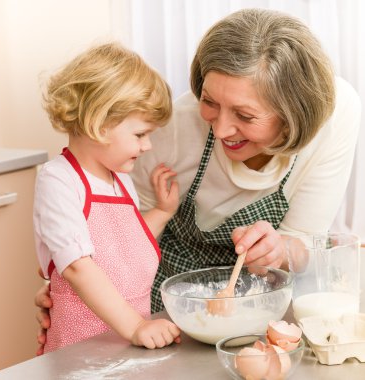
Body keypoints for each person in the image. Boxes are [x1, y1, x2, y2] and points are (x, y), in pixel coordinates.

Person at [35, 7, 361, 346]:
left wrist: (279, 251)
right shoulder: (169, 129)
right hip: (167, 316)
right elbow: (114, 239)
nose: (220, 129)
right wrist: (75, 289)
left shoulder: (337, 116)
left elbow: (306, 243)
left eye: (245, 115)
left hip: (261, 311)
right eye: (209, 102)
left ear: (295, 115)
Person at [34, 42, 181, 353]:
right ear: (98, 124)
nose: (148, 146)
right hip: (80, 349)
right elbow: (77, 267)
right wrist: (136, 326)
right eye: (140, 134)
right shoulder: (59, 179)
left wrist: (163, 211)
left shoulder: (121, 181)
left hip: (127, 344)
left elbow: (124, 246)